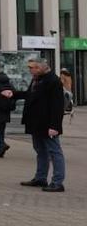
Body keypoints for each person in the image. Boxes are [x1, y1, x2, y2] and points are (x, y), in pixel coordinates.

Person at [17, 56, 66, 192]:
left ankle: (57, 182)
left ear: (42, 67)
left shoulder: (53, 81)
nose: (31, 70)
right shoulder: (37, 79)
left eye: (33, 67)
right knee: (40, 151)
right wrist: (13, 94)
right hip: (36, 123)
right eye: (30, 68)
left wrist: (54, 126)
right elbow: (29, 95)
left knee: (55, 152)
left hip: (47, 124)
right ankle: (40, 177)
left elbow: (57, 105)